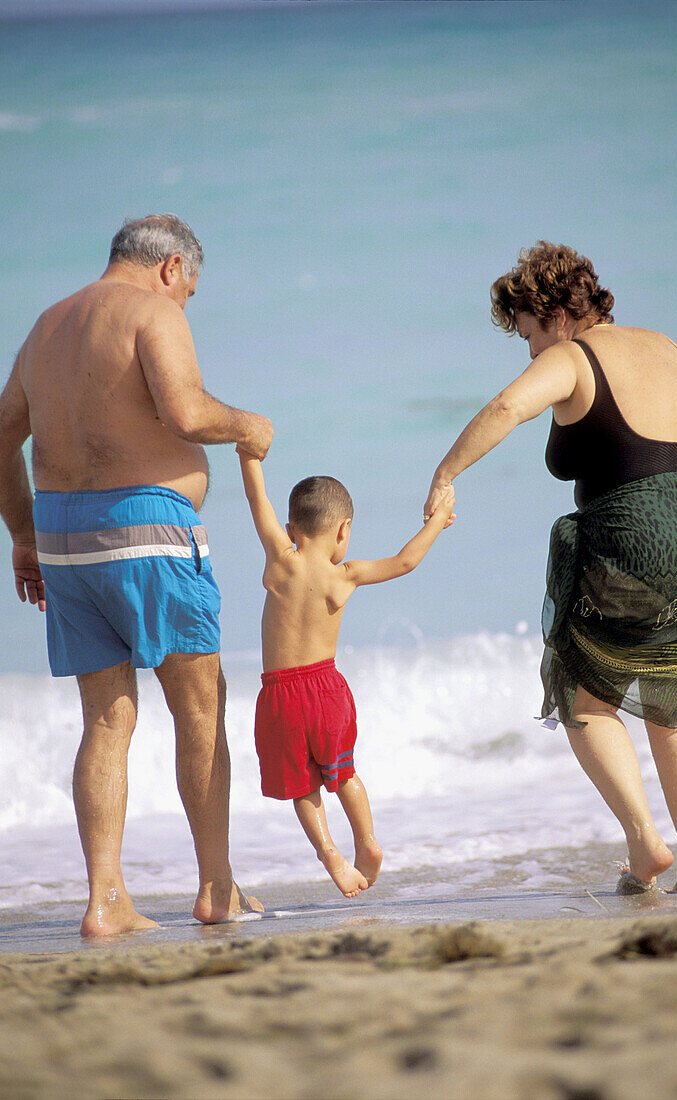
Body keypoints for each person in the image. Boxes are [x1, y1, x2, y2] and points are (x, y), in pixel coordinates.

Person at [425, 240, 677, 894]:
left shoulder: (572, 357)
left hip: (635, 539)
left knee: (582, 696)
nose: (530, 350)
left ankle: (645, 842)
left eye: (528, 332)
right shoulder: (668, 349)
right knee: (675, 707)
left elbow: (508, 408)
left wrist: (445, 473)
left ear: (553, 312)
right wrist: (671, 499)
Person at [0, 214, 274, 936]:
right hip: (146, 533)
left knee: (106, 719)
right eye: (190, 291)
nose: (184, 304)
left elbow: (3, 430)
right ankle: (216, 888)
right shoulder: (153, 310)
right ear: (172, 268)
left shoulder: (48, 323)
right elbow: (185, 412)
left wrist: (23, 535)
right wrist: (247, 425)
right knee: (199, 707)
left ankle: (105, 900)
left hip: (62, 536)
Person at [238, 448, 455, 897]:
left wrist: (249, 457)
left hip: (280, 695)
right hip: (326, 690)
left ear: (292, 529)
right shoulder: (345, 575)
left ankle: (331, 855)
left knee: (303, 787)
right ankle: (367, 841)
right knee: (344, 775)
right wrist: (436, 522)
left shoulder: (282, 560)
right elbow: (404, 562)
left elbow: (258, 503)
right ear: (343, 531)